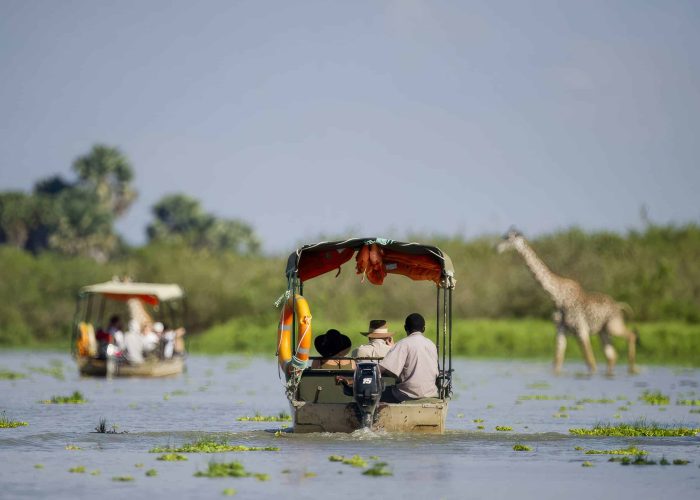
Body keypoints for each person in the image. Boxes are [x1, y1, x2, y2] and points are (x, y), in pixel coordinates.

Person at [379, 313, 439, 403]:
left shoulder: (403, 344)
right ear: (424, 329)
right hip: (431, 393)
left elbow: (382, 368)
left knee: (375, 393)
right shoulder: (431, 345)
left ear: (405, 328)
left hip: (406, 394)